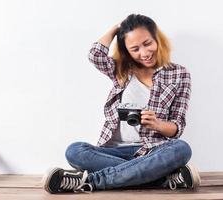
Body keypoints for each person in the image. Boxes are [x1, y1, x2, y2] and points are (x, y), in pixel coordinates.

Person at [42, 14, 201, 194]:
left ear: (157, 38)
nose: (144, 53)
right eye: (135, 48)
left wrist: (157, 124)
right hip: (112, 151)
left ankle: (90, 181)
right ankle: (162, 179)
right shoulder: (121, 70)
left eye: (148, 43)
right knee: (75, 151)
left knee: (181, 149)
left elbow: (177, 127)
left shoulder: (179, 74)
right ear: (127, 51)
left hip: (153, 150)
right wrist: (116, 30)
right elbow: (95, 55)